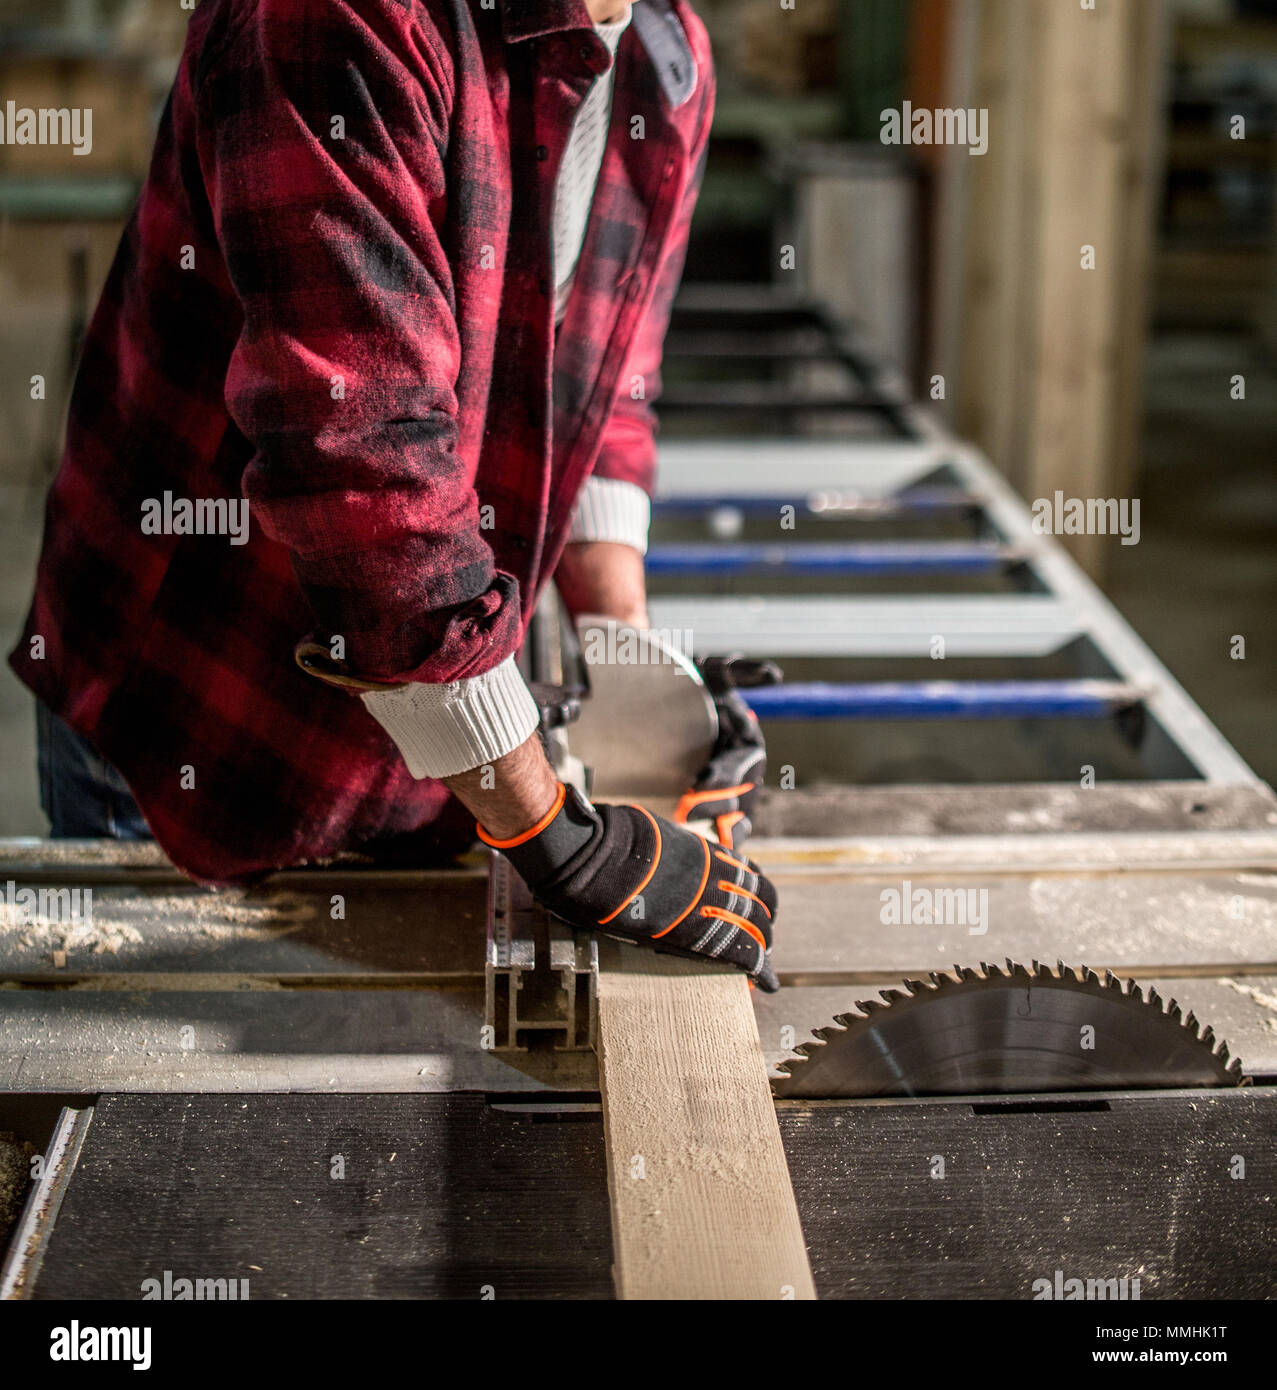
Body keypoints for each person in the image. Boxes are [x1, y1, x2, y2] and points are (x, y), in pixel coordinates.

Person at [9, 0, 779, 989]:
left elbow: (606, 381)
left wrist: (634, 665)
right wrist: (552, 833)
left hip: (428, 705)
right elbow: (363, 470)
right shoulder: (340, 18)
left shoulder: (666, 60)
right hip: (206, 714)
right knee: (164, 1064)